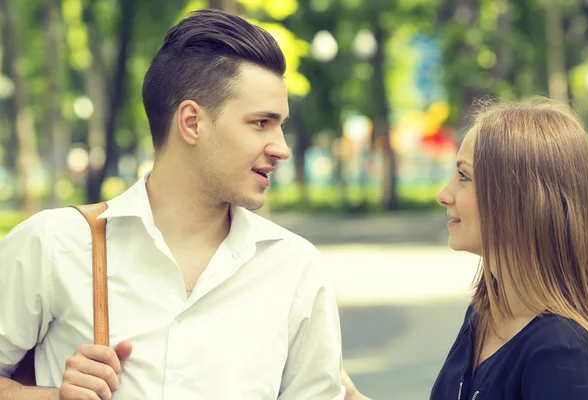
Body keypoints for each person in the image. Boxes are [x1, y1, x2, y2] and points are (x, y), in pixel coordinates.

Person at [0, 9, 345, 399]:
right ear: (192, 122)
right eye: (260, 123)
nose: (281, 148)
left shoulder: (296, 267)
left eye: (280, 125)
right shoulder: (52, 244)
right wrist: (49, 397)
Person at [431, 98, 588, 399]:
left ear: (520, 199)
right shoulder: (484, 314)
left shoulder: (562, 354)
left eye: (464, 177)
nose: (444, 195)